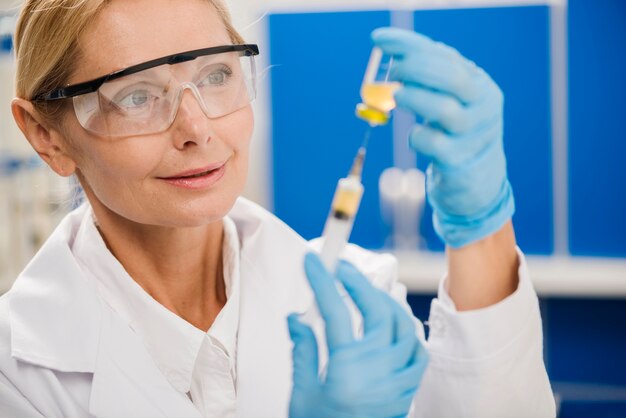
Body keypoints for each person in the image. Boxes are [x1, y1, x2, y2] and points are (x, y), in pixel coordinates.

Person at [0, 0, 555, 417]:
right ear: (47, 135)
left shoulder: (352, 297)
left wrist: (480, 226)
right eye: (136, 95)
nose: (198, 130)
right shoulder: (17, 372)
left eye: (215, 76)